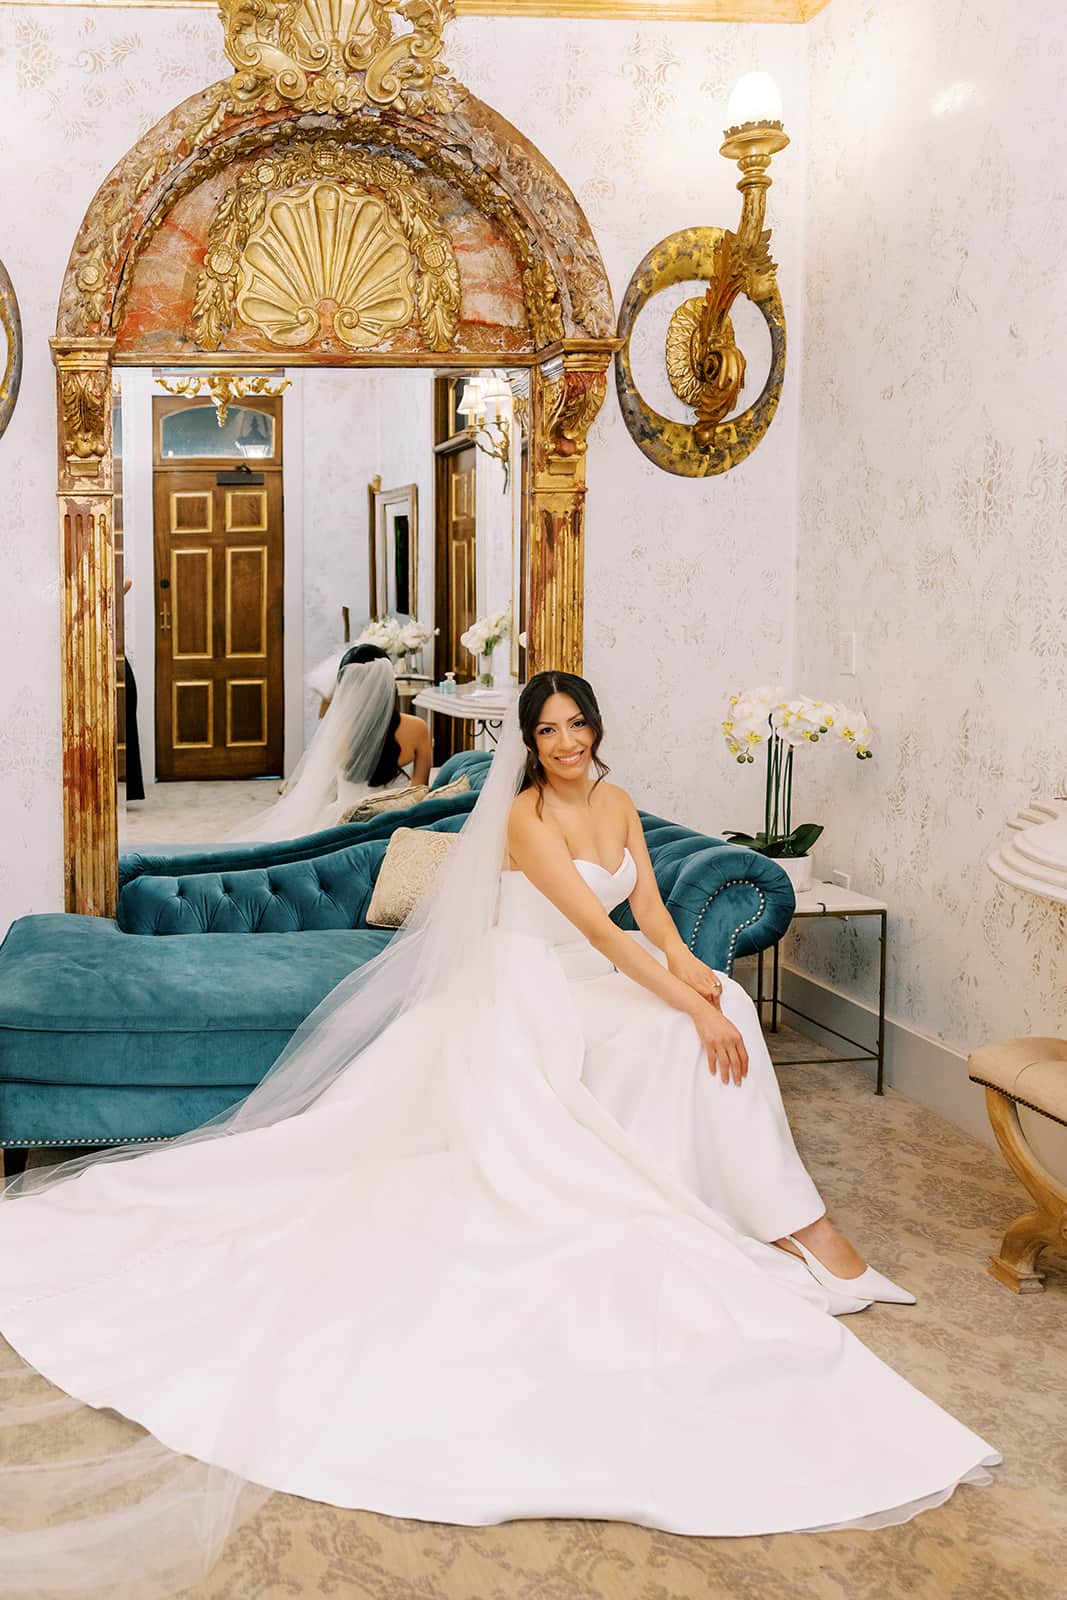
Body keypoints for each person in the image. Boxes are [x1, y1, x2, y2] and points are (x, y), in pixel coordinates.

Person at [0, 673, 998, 1600]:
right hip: (533, 983)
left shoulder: (614, 802)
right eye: (547, 730)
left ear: (594, 729)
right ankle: (794, 1227)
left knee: (727, 1003)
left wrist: (694, 978)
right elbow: (596, 933)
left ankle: (786, 1218)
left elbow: (645, 909)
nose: (565, 742)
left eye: (576, 725)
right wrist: (684, 1004)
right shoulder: (522, 820)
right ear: (528, 743)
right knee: (698, 1026)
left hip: (597, 982)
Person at [227, 648, 430, 843]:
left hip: (344, 830)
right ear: (389, 683)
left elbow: (324, 788)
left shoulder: (339, 730)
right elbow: (419, 793)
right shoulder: (418, 728)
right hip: (395, 829)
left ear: (346, 688)